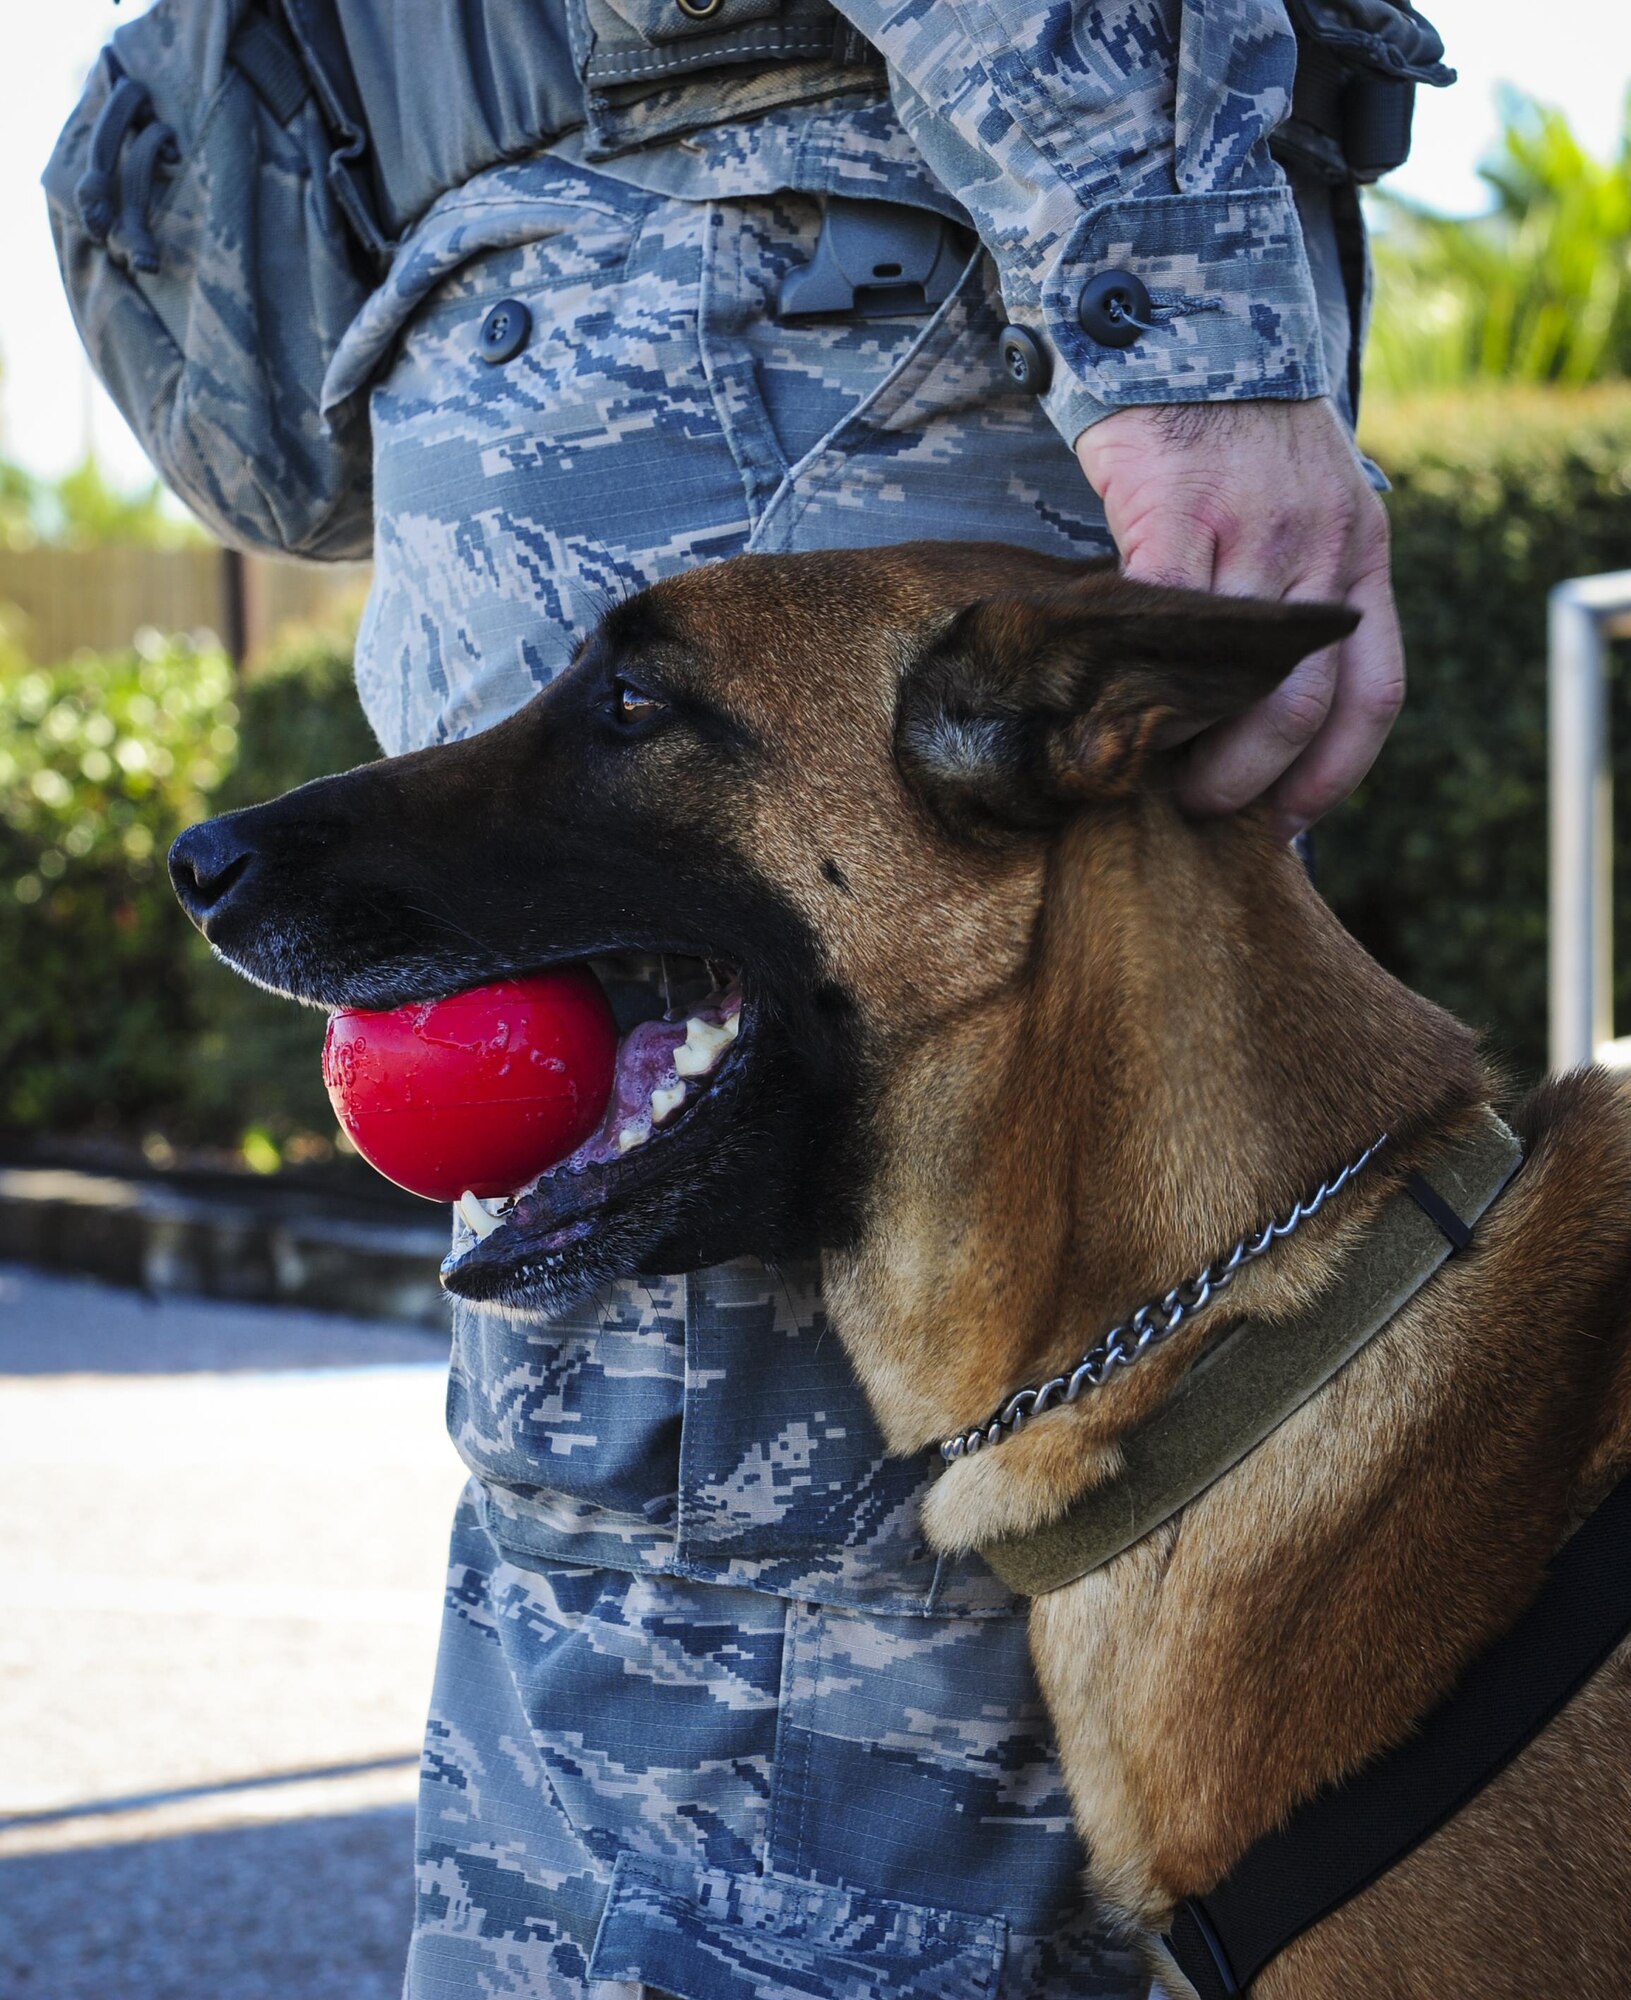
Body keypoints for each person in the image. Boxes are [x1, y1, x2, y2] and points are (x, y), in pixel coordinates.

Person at [46, 4, 1451, 1993]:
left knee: (719, 1674)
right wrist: (1189, 332)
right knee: (829, 1685)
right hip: (835, 342)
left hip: (720, 320)